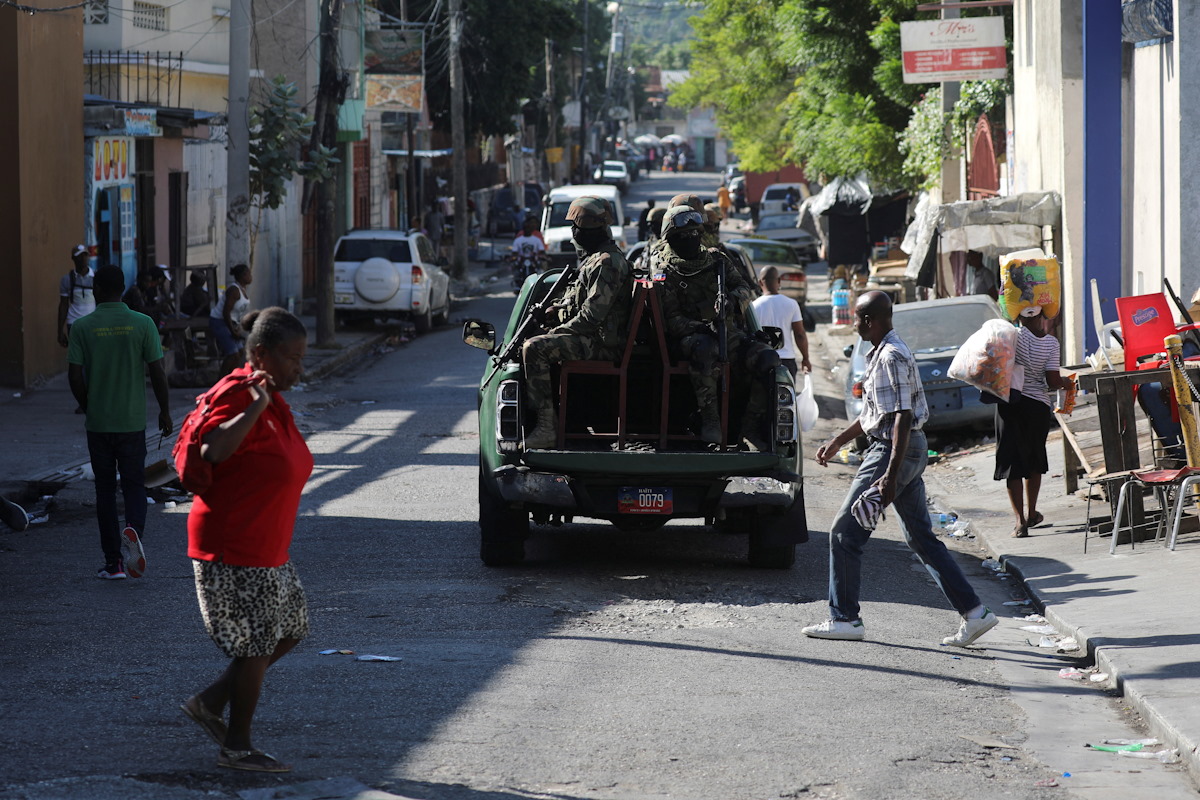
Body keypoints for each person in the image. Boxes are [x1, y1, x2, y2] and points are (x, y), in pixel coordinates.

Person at [804, 291, 998, 646]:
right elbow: (872, 415)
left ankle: (845, 618)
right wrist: (837, 441)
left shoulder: (891, 355)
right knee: (920, 537)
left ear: (871, 321)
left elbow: (901, 418)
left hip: (894, 450)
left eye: (859, 319)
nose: (854, 325)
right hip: (905, 448)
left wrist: (889, 476)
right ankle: (975, 614)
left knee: (844, 533)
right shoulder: (880, 352)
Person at [180, 307, 312, 774]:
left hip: (267, 546)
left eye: (302, 357)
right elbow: (212, 450)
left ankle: (210, 702)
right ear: (260, 354)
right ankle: (236, 746)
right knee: (255, 645)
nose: (300, 366)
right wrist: (255, 405)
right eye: (292, 357)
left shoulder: (274, 396)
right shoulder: (244, 395)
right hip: (234, 544)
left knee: (291, 631)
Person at [67, 264, 173, 580]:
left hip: (99, 424)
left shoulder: (82, 327)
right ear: (123, 287)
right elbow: (157, 371)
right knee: (133, 483)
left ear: (97, 290)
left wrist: (88, 406)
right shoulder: (142, 323)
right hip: (131, 422)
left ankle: (113, 564)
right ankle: (134, 530)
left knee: (104, 490)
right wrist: (165, 412)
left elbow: (74, 376)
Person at [658, 205, 779, 447]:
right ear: (671, 239)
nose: (691, 240)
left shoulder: (717, 260)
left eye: (695, 234)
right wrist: (702, 327)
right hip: (692, 339)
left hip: (729, 334)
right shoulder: (665, 270)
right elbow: (670, 321)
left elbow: (746, 289)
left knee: (767, 359)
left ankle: (750, 428)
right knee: (705, 349)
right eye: (683, 236)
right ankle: (710, 419)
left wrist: (732, 299)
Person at [521, 197, 634, 449]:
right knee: (535, 339)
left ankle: (546, 428)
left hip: (603, 343)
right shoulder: (596, 259)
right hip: (593, 338)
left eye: (577, 228)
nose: (573, 233)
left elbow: (590, 317)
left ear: (590, 230)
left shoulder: (607, 262)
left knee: (535, 349)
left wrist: (556, 332)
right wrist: (554, 312)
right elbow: (577, 306)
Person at [997, 307, 1071, 537]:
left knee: (1012, 462)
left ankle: (1019, 522)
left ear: (1017, 316)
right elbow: (1052, 380)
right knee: (1033, 459)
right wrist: (1067, 383)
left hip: (1009, 403)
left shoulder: (1009, 337)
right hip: (1036, 407)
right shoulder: (1051, 343)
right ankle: (1031, 513)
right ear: (1042, 317)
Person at [752, 267, 811, 380]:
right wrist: (805, 358)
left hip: (762, 359)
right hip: (786, 361)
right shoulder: (791, 304)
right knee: (786, 395)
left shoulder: (754, 307)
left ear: (760, 283)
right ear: (779, 281)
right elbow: (800, 334)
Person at [210, 264, 253, 376]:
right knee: (232, 354)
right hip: (219, 321)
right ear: (242, 275)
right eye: (248, 273)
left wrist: (237, 328)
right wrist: (232, 331)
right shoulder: (234, 290)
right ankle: (220, 382)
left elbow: (236, 314)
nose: (250, 276)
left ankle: (231, 378)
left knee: (240, 352)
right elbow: (226, 312)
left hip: (230, 323)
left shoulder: (243, 290)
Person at [57, 244, 95, 349]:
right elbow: (63, 305)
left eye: (85, 255)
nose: (83, 258)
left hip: (92, 324)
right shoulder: (67, 280)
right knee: (77, 357)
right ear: (73, 259)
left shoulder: (96, 277)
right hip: (74, 324)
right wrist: (60, 331)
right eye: (80, 256)